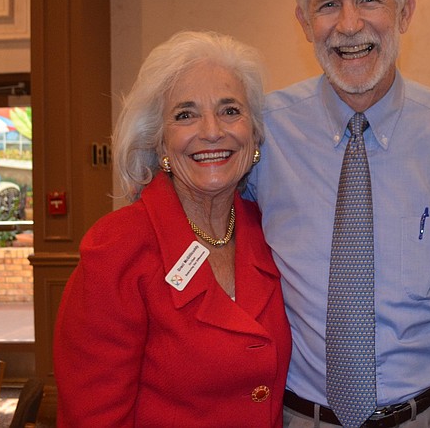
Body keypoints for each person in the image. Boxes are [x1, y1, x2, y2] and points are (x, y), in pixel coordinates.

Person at [245, 0, 430, 428]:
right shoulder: (260, 136)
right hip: (301, 417)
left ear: (404, 11)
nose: (348, 24)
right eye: (327, 5)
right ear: (303, 22)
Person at [53, 31, 291, 427]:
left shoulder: (270, 231)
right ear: (160, 143)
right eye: (186, 115)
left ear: (254, 134)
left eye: (230, 110)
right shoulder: (117, 249)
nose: (212, 130)